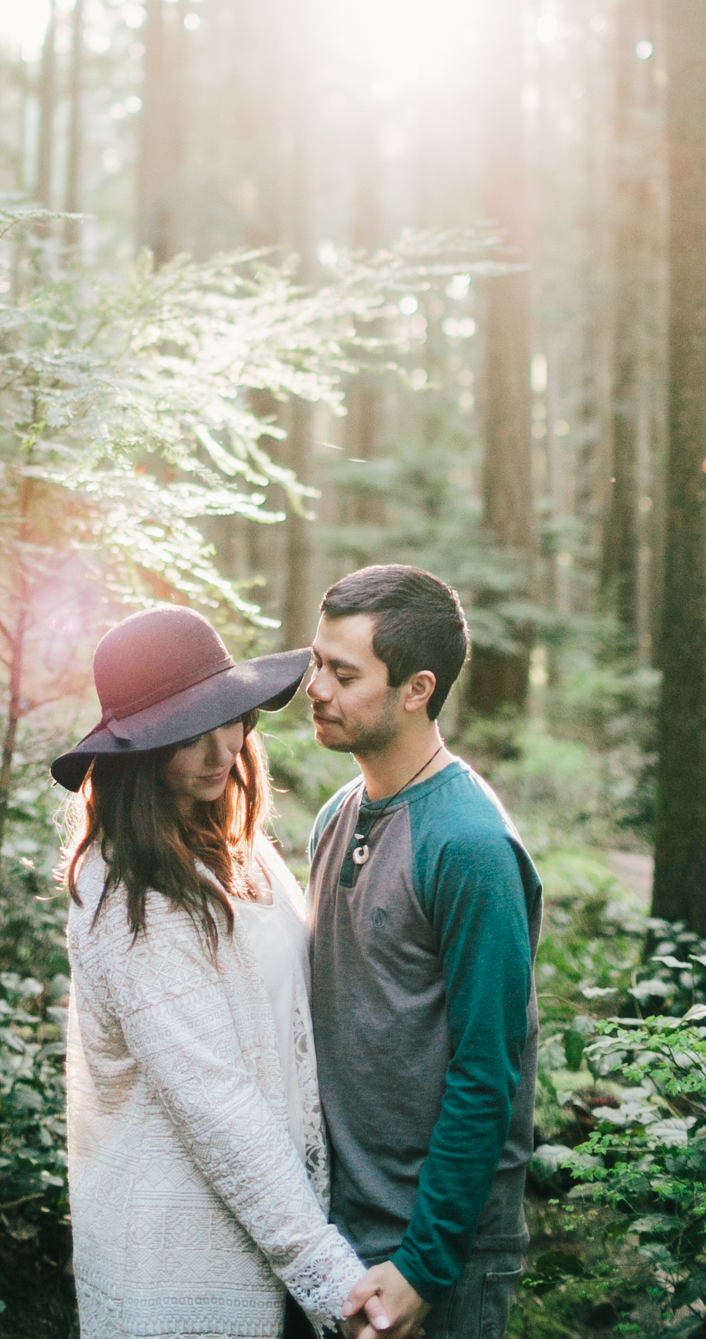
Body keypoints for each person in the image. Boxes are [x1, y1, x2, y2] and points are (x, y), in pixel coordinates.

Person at [52, 606, 376, 1339]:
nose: (218, 749)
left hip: (275, 1232)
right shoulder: (128, 896)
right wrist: (330, 1276)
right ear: (136, 752)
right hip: (177, 1270)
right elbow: (214, 1104)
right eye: (183, 735)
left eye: (225, 719)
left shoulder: (235, 847)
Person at [305, 564, 543, 1339]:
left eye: (343, 673)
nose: (315, 687)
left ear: (416, 689)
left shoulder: (469, 844)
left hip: (442, 1254)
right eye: (316, 663)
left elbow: (487, 1072)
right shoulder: (338, 813)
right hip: (341, 1237)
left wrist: (425, 1264)